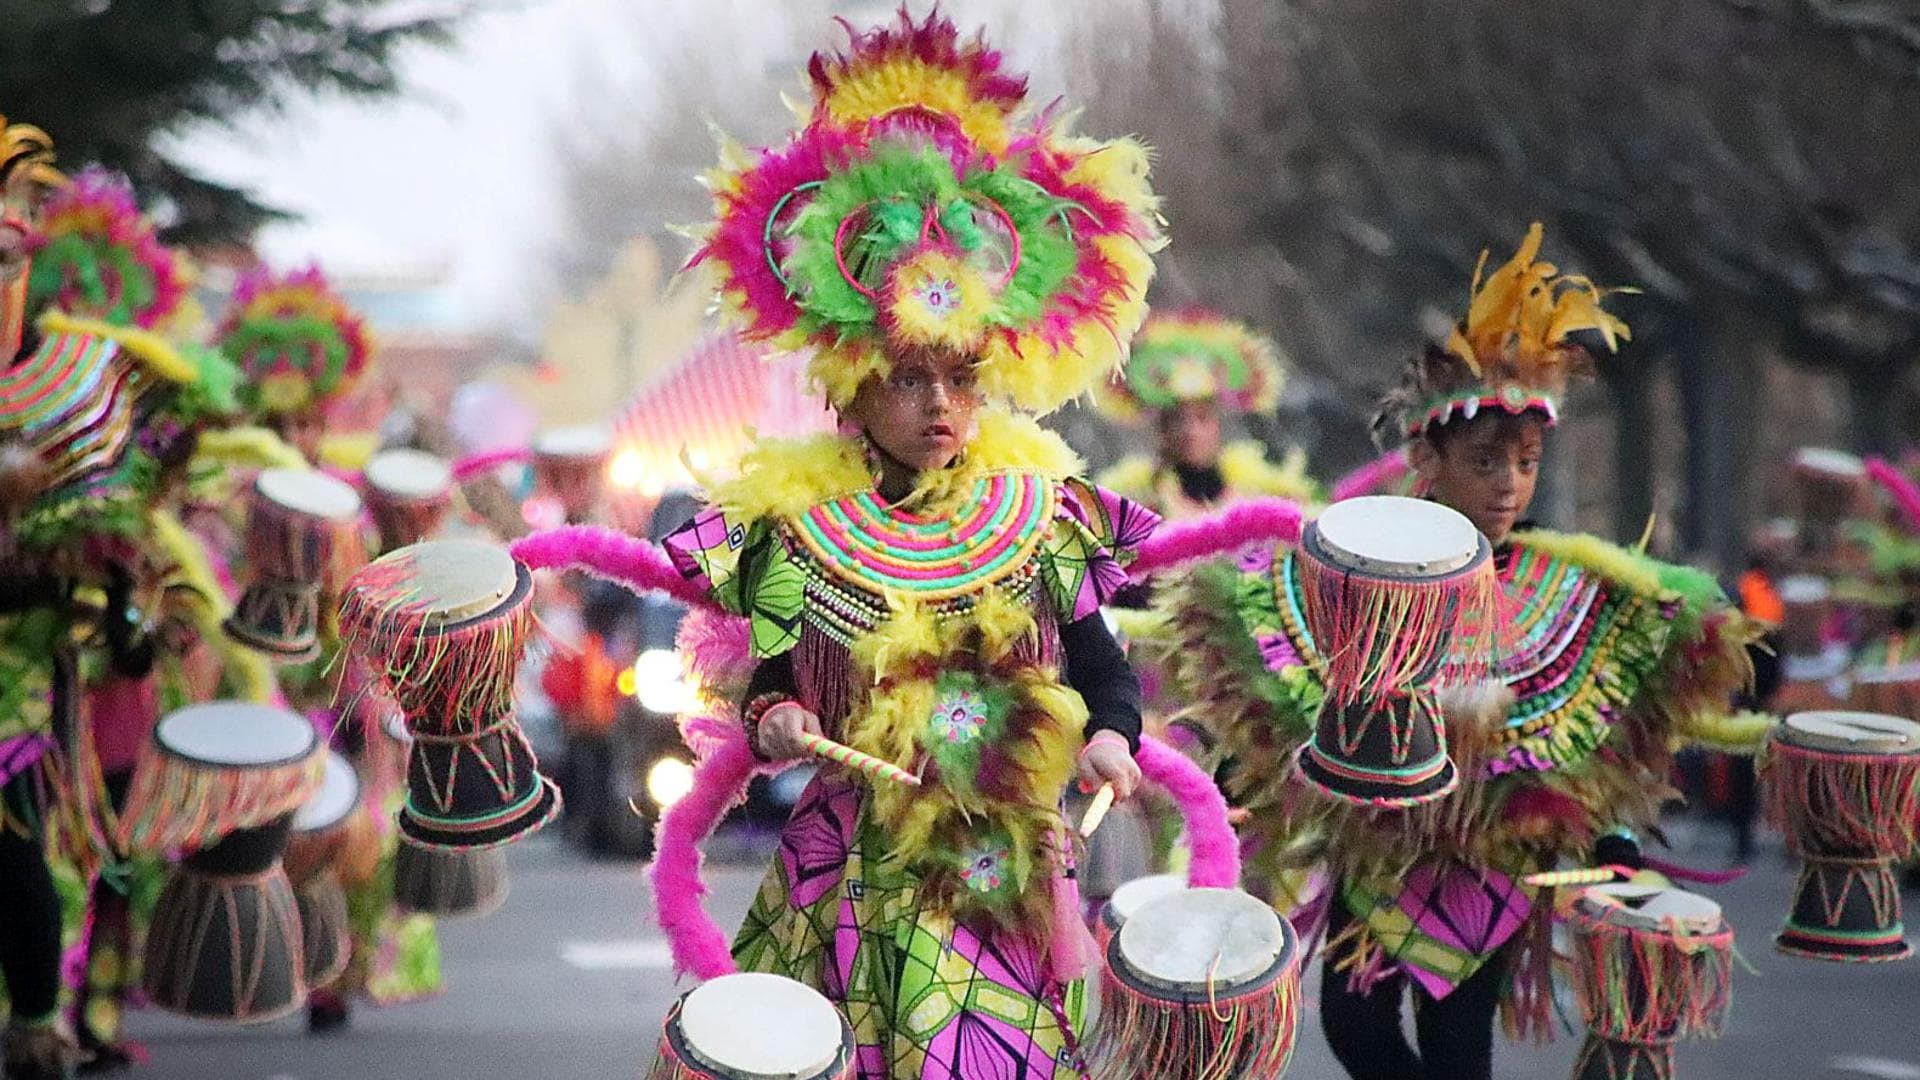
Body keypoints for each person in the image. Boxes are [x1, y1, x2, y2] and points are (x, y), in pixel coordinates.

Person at [661, 12, 1162, 1077]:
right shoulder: (799, 535)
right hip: (847, 866)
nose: (941, 402)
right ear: (855, 387)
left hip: (998, 858)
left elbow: (1103, 666)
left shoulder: (1041, 519)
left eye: (962, 377)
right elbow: (775, 680)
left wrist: (1112, 736)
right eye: (911, 377)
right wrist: (780, 715)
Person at [1152, 224, 1764, 1080]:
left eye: (1525, 460)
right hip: (1380, 851)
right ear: (1426, 459)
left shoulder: (1567, 585)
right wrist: (1236, 778)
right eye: (1486, 461)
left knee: (1456, 1046)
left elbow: (1610, 733)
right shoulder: (1362, 575)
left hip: (1494, 859)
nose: (1511, 483)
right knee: (1355, 1029)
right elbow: (1290, 685)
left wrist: (1612, 835)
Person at [1096, 310, 1317, 519]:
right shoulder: (1132, 503)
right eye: (1177, 419)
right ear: (1161, 429)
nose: (1190, 431)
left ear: (1217, 423)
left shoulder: (1263, 494)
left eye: (1202, 417)